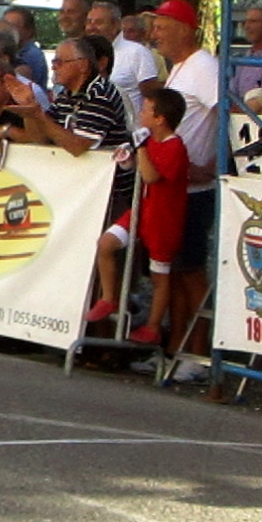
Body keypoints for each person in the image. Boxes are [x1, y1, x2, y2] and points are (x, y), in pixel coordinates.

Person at [148, 0, 219, 383]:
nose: (155, 34)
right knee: (173, 270)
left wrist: (214, 163)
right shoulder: (180, 69)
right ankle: (175, 347)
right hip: (176, 188)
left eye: (162, 26)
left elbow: (226, 111)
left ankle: (198, 353)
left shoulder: (205, 67)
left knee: (190, 270)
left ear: (185, 28)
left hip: (195, 188)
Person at [87, 88, 189, 345]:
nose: (141, 114)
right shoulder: (152, 142)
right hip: (141, 211)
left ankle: (153, 326)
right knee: (106, 244)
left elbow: (153, 176)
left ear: (160, 118)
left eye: (146, 110)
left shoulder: (175, 146)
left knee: (159, 275)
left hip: (163, 220)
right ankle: (109, 297)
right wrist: (127, 161)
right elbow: (142, 171)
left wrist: (141, 148)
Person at [7, 38, 134, 217]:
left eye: (59, 62)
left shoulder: (100, 94)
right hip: (81, 191)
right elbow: (40, 138)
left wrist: (38, 115)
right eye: (53, 62)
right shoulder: (67, 95)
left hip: (110, 196)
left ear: (83, 65)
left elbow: (78, 146)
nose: (53, 67)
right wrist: (30, 110)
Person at [86, 1, 161, 114]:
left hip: (126, 128)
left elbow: (152, 95)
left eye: (98, 22)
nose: (92, 27)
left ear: (115, 25)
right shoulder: (81, 53)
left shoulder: (137, 52)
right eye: (89, 22)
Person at [229, 5, 262, 103]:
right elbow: (232, 92)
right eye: (245, 22)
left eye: (253, 22)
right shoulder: (241, 60)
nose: (247, 26)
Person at [2, 6, 49, 89]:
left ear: (29, 30)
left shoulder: (32, 55)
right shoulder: (14, 51)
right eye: (5, 25)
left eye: (13, 26)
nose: (7, 30)